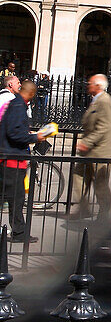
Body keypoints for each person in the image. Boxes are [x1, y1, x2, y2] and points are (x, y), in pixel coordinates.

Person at [0, 79, 41, 242]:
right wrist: (35, 137)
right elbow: (14, 133)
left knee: (10, 197)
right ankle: (19, 233)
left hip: (10, 158)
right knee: (16, 199)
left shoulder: (16, 104)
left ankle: (19, 232)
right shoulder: (18, 106)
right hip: (13, 160)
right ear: (31, 94)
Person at [69, 74, 111, 219]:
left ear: (98, 86)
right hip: (89, 151)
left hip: (99, 151)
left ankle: (105, 214)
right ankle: (83, 208)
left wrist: (86, 142)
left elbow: (104, 127)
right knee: (78, 176)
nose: (88, 85)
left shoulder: (104, 100)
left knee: (100, 184)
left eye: (90, 83)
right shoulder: (96, 100)